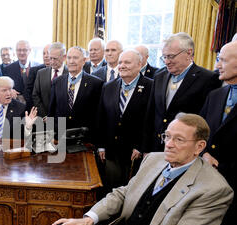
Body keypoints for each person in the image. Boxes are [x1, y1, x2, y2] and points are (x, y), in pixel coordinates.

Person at [31, 113, 233, 225]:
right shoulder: (154, 159)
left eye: (179, 140)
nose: (169, 145)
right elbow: (124, 193)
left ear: (199, 146)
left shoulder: (214, 188)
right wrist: (89, 218)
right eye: (168, 136)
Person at [143, 32, 222, 153]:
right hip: (157, 147)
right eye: (164, 57)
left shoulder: (208, 79)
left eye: (171, 56)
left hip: (185, 149)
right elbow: (151, 114)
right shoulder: (159, 76)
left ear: (188, 53)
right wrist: (146, 148)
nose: (167, 61)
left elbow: (207, 120)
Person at [199, 41, 237, 225]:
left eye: (222, 59)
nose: (217, 64)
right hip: (207, 185)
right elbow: (201, 133)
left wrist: (221, 166)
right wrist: (203, 153)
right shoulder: (215, 95)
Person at [96, 49, 153, 193]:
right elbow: (101, 117)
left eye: (127, 62)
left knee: (132, 190)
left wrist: (142, 146)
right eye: (120, 62)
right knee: (111, 189)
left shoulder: (151, 87)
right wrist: (101, 145)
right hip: (111, 150)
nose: (122, 65)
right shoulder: (108, 86)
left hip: (135, 152)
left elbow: (150, 121)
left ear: (139, 65)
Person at [48, 46, 103, 136]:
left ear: (84, 60)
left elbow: (98, 116)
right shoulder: (57, 81)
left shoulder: (96, 83)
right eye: (69, 58)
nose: (71, 61)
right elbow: (51, 112)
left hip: (84, 138)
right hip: (60, 137)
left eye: (75, 58)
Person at [32, 42, 68, 118]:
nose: (52, 61)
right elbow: (35, 95)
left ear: (64, 57)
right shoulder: (41, 73)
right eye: (50, 58)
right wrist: (44, 115)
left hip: (64, 119)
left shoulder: (70, 73)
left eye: (55, 59)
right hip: (43, 118)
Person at [3, 40, 41, 108]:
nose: (21, 53)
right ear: (16, 51)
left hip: (35, 107)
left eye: (24, 50)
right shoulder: (8, 69)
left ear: (29, 50)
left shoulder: (39, 68)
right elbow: (4, 87)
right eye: (19, 50)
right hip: (15, 108)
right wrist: (10, 90)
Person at [25, 44, 52, 109]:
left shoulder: (64, 71)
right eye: (44, 53)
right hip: (38, 110)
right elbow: (28, 92)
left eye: (48, 53)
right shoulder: (35, 70)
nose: (45, 56)